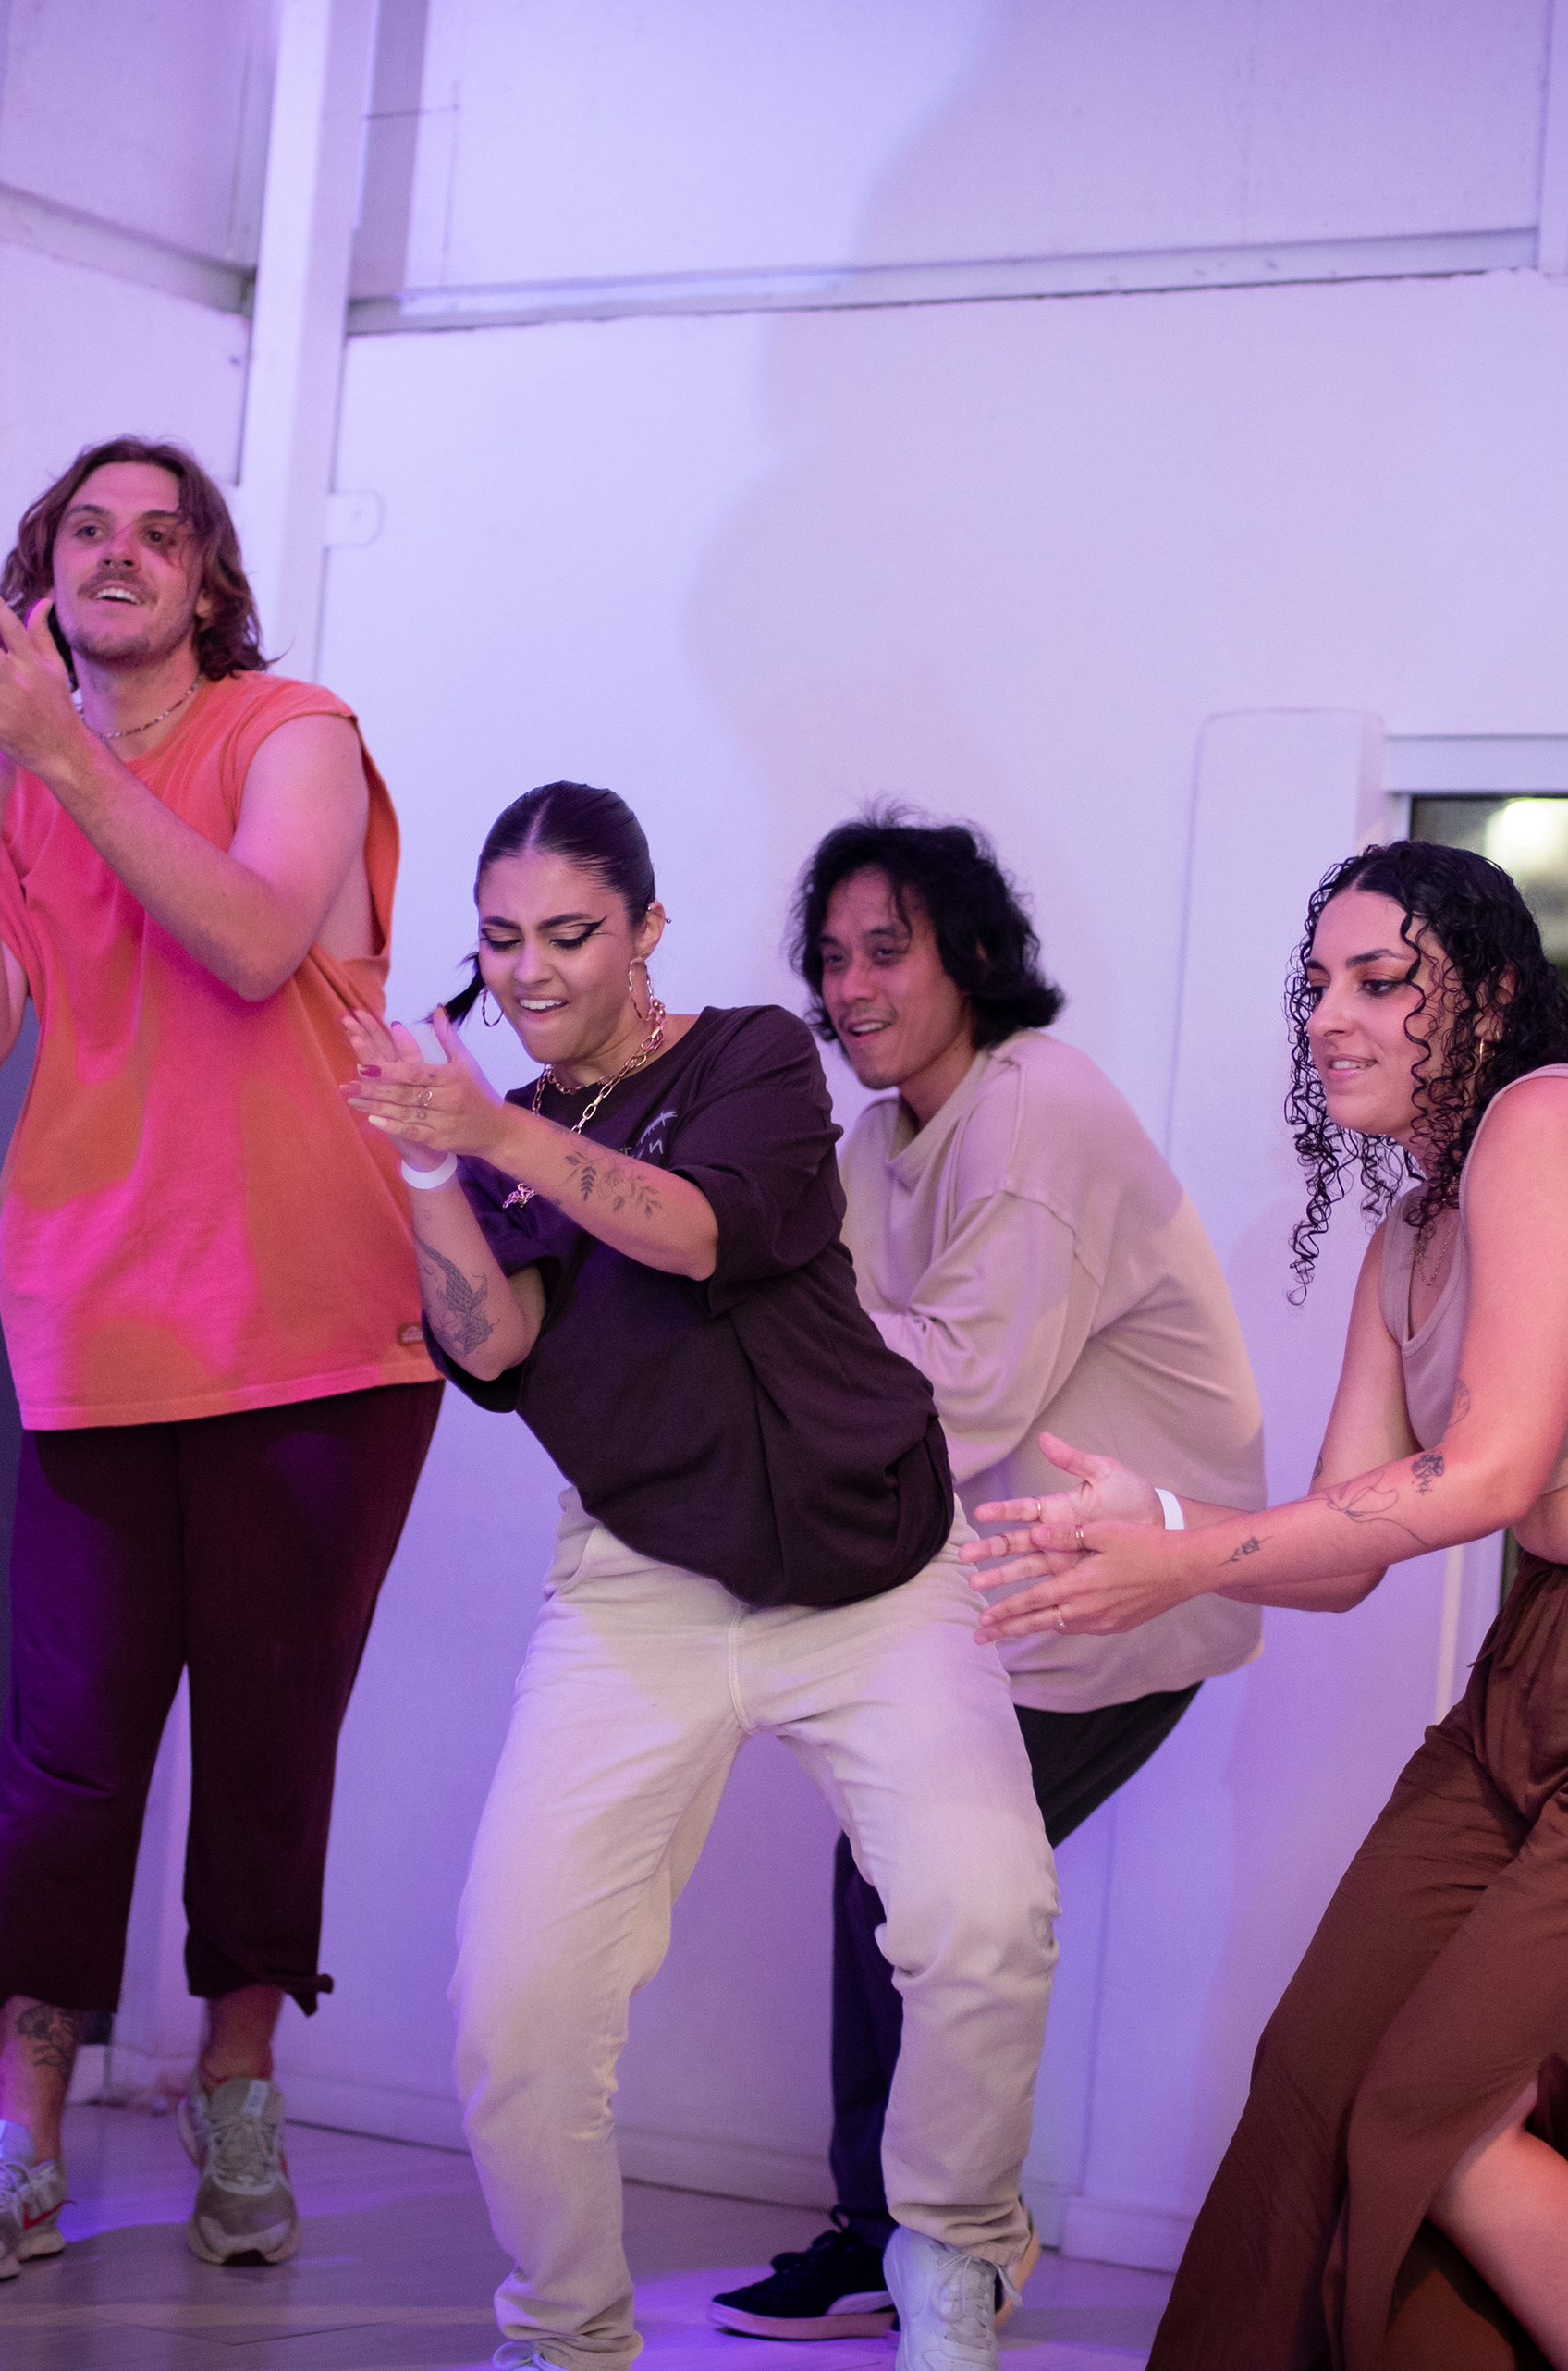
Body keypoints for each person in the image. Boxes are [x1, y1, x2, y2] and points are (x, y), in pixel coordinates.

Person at [968, 839, 1568, 2370]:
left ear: (1494, 996)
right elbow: (1342, 1560)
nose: (1330, 1017)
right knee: (1314, 2067)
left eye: (1382, 981)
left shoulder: (1554, 1119)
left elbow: (1487, 1471)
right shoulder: (1407, 1239)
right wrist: (1170, 1524)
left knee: (1433, 2115)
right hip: (1554, 1652)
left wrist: (1187, 1560)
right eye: (1316, 986)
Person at [337, 784, 1058, 2371]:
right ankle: (565, 2331)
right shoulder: (499, 1143)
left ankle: (952, 2249)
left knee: (983, 1918)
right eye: (502, 939)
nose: (531, 971)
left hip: (874, 1564)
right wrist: (429, 1172)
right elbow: (493, 1343)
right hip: (645, 1580)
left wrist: (487, 1130)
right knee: (515, 2000)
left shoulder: (752, 1058)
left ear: (646, 929)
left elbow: (698, 1231)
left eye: (570, 933)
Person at [0, 437, 440, 2279]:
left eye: (160, 534)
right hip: (98, 1325)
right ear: (43, 573)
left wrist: (55, 756)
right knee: (64, 1758)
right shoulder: (23, 779)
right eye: (85, 531)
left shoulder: (292, 729)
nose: (118, 555)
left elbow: (260, 936)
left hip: (318, 1330)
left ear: (207, 582)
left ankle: (235, 2085)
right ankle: (19, 2142)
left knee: (269, 1740)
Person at [709, 812, 1267, 2341]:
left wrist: (774, 1371)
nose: (854, 986)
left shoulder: (1035, 1113)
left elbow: (949, 1397)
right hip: (994, 1587)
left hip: (1124, 1585)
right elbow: (822, 1344)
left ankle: (935, 2243)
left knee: (922, 1885)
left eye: (887, 950)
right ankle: (898, 2233)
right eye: (833, 958)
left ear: (967, 954)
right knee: (900, 1883)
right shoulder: (879, 1143)